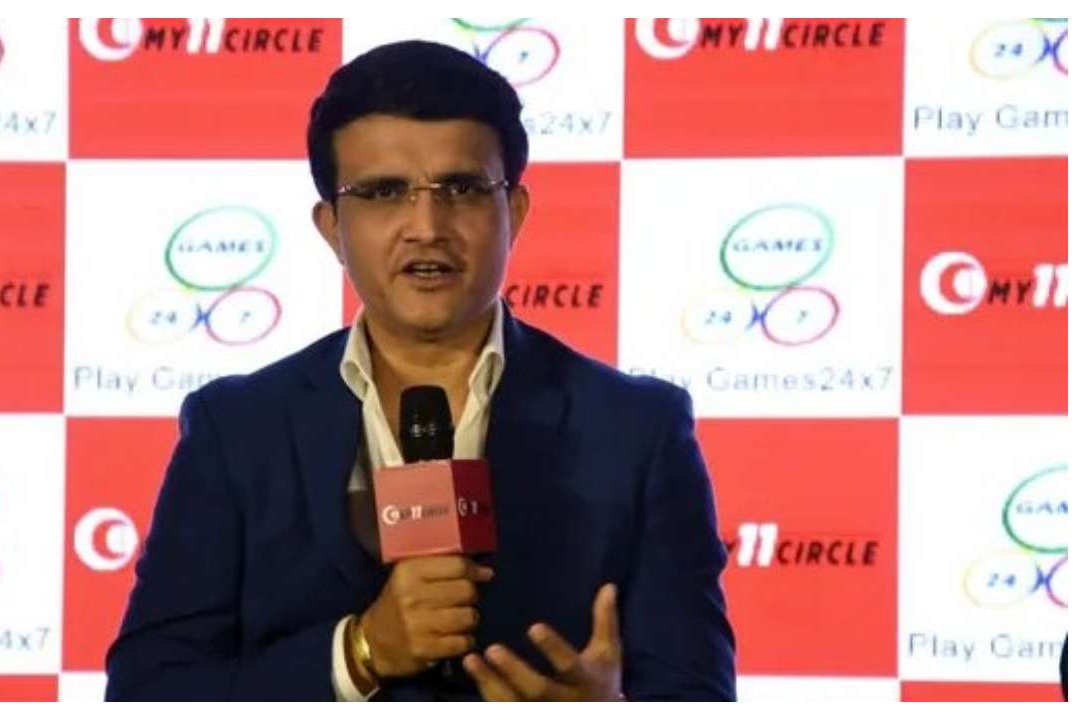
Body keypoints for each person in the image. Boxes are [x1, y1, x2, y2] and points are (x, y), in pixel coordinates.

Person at [105, 39, 735, 701]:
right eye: (384, 192)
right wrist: (360, 652)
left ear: (514, 213)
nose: (427, 226)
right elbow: (148, 691)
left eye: (462, 189)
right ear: (331, 226)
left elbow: (700, 693)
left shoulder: (637, 430)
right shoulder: (237, 429)